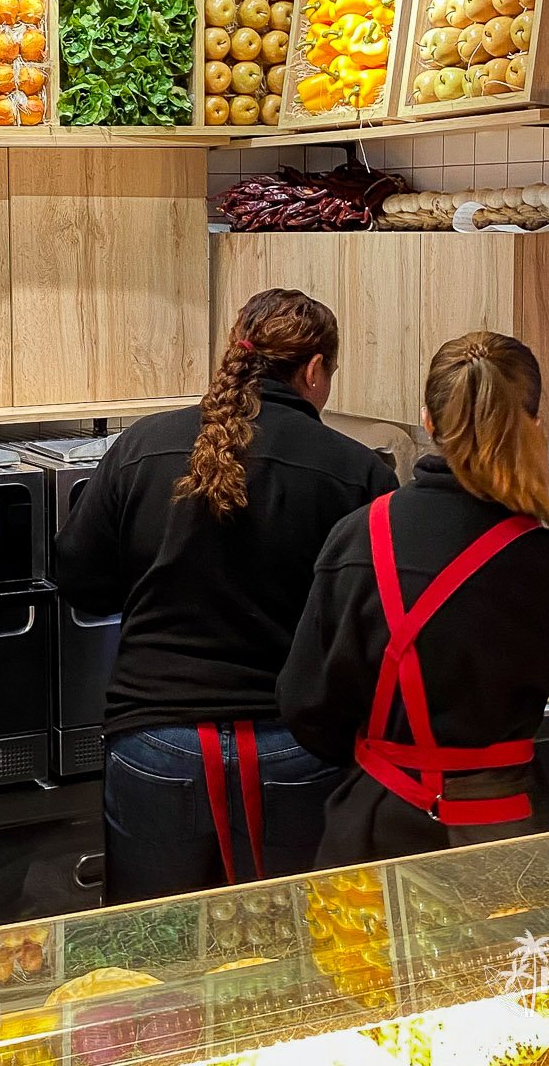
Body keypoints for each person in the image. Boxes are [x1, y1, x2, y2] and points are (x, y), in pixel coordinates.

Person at [56, 288, 395, 903]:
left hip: (156, 741)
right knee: (295, 937)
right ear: (314, 369)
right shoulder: (359, 472)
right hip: (295, 744)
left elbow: (81, 580)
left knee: (157, 942)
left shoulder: (141, 446)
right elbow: (373, 621)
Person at [280, 331, 549, 865]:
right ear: (534, 425)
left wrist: (389, 755)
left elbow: (306, 703)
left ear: (429, 423)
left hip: (373, 831)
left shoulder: (359, 537)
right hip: (501, 842)